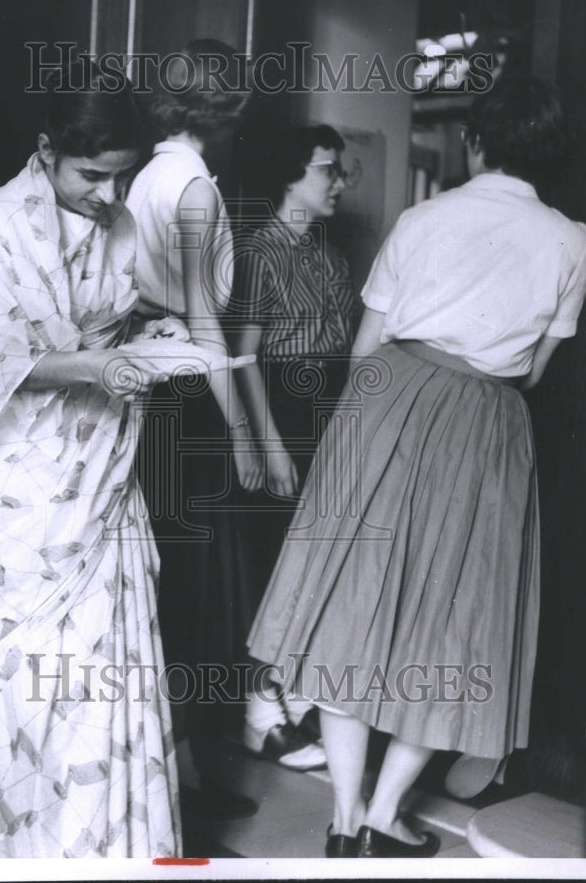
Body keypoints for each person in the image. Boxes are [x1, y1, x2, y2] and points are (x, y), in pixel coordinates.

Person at [247, 77, 586, 858]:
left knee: (350, 614)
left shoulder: (423, 216)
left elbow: (364, 348)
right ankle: (386, 815)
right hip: (484, 423)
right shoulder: (576, 240)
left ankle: (341, 821)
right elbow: (534, 374)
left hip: (385, 404)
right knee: (454, 631)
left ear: (476, 143)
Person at [0, 67, 181, 857]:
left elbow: (116, 321)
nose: (109, 195)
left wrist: (155, 340)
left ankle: (99, 856)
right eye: (91, 175)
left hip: (99, 485)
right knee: (21, 690)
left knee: (98, 686)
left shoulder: (115, 226)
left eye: (122, 176)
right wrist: (117, 365)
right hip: (16, 495)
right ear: (44, 151)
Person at [125, 39, 263, 819]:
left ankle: (173, 778)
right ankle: (181, 789)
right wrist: (242, 431)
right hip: (186, 388)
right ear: (226, 107)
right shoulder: (198, 189)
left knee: (168, 588)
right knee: (198, 593)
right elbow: (207, 324)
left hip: (151, 378)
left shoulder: (149, 174)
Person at [231, 124, 358, 771]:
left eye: (339, 171)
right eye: (325, 170)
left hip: (328, 411)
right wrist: (270, 445)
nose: (338, 181)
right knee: (270, 563)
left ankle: (294, 694)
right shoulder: (258, 251)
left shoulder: (333, 258)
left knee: (316, 564)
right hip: (278, 408)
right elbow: (244, 358)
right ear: (290, 176)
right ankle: (259, 713)